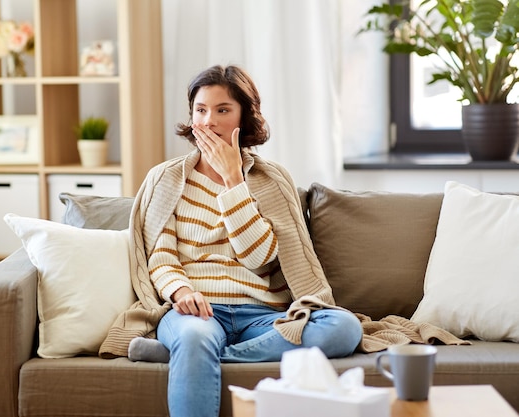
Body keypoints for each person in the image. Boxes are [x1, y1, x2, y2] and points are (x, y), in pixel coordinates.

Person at [100, 64, 362, 417]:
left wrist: (233, 182)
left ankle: (199, 354)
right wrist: (181, 292)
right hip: (197, 312)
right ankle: (191, 347)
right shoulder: (165, 179)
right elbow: (160, 258)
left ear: (244, 117)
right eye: (201, 110)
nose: (209, 121)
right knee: (194, 337)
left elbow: (261, 258)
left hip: (261, 314)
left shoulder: (271, 179)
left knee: (343, 327)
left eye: (222, 110)